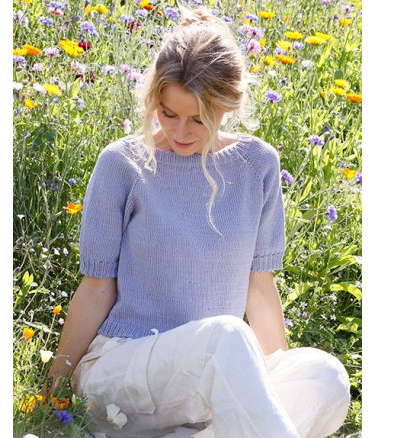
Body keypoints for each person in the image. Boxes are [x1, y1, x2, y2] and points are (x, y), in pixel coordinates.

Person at [44, 7, 350, 438]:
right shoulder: (123, 165)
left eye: (199, 119)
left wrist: (270, 386)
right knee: (227, 337)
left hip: (207, 378)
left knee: (324, 376)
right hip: (121, 368)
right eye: (169, 113)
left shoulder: (258, 165)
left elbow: (259, 288)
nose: (181, 132)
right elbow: (96, 288)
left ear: (228, 106)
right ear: (155, 99)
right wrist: (52, 392)